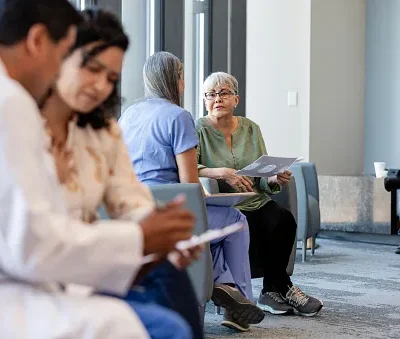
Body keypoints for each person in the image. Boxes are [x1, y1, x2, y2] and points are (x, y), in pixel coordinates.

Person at [0, 1, 193, 338]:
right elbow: (34, 241)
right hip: (48, 268)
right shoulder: (17, 109)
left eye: (111, 78)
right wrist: (139, 238)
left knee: (166, 272)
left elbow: (129, 200)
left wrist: (158, 232)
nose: (101, 85)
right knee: (159, 323)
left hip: (80, 258)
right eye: (91, 67)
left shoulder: (101, 129)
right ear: (57, 52)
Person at [119, 51, 265, 332]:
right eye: (182, 77)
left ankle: (224, 283)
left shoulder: (129, 115)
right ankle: (240, 296)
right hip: (171, 211)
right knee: (234, 221)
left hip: (136, 209)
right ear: (174, 80)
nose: (184, 83)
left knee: (216, 224)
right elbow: (189, 185)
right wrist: (215, 200)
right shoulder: (178, 116)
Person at [196, 71, 324, 317]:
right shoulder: (198, 128)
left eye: (223, 93)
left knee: (283, 220)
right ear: (205, 101)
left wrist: (274, 178)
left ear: (236, 99)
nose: (217, 99)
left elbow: (261, 173)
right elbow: (192, 168)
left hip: (254, 197)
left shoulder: (251, 129)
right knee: (252, 225)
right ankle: (283, 287)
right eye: (210, 95)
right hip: (225, 204)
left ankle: (270, 290)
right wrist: (222, 173)